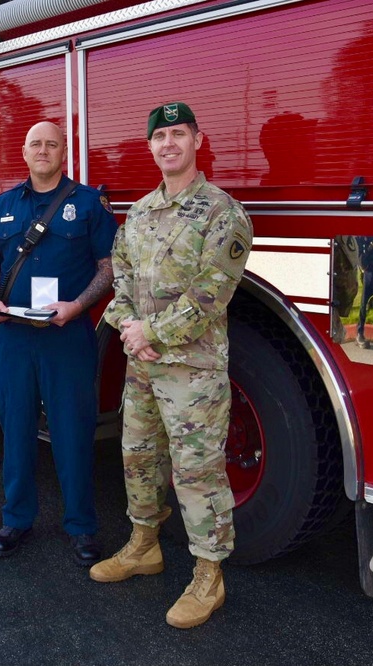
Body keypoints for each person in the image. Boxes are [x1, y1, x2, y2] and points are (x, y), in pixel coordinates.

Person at [94, 102, 253, 629]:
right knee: (138, 457)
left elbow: (212, 293)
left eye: (178, 134)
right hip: (142, 364)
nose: (168, 143)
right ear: (150, 147)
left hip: (193, 372)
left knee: (197, 472)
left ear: (198, 141)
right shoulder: (139, 212)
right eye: (159, 136)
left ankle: (209, 575)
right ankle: (144, 545)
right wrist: (130, 330)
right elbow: (120, 280)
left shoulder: (222, 212)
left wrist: (151, 333)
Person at [0, 121, 117, 565]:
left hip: (66, 336)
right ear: (25, 151)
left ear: (63, 152)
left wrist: (78, 305)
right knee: (14, 429)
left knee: (72, 433)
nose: (43, 150)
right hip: (15, 338)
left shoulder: (89, 204)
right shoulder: (4, 205)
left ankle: (82, 526)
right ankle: (16, 518)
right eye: (36, 143)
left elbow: (109, 267)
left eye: (52, 144)